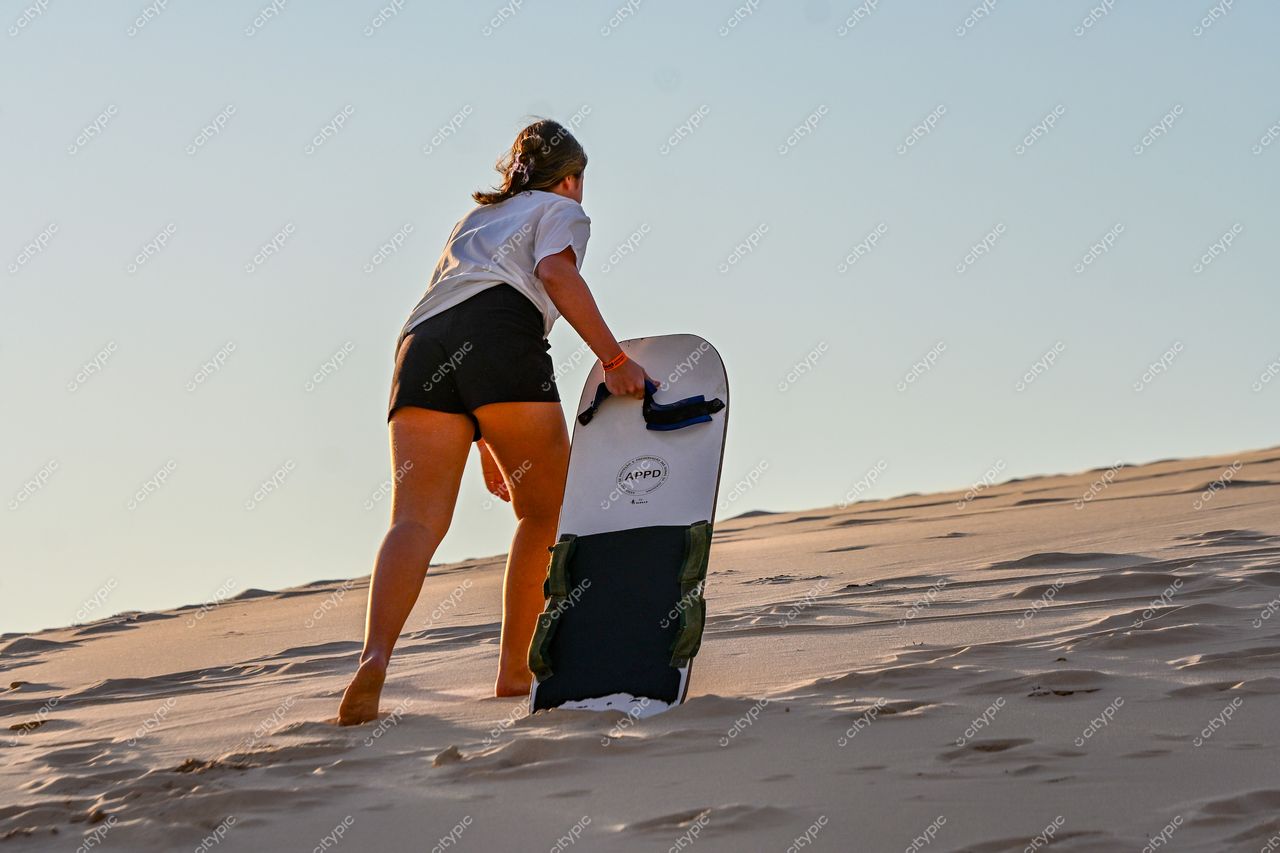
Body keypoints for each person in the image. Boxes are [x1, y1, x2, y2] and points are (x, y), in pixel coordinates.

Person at [338, 118, 656, 725]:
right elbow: (556, 276)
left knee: (413, 520)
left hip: (420, 343)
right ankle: (515, 668)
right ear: (570, 179)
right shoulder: (559, 209)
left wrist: (487, 438)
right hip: (499, 335)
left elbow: (460, 318)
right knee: (546, 509)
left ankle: (374, 657)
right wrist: (614, 360)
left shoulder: (476, 220)